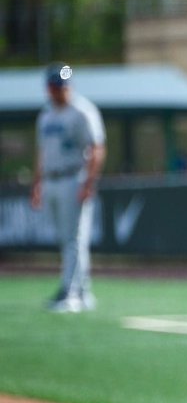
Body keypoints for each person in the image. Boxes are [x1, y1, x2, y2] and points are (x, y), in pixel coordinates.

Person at [31, 62, 106, 313]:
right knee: (68, 240)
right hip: (52, 179)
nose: (58, 91)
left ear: (69, 86)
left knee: (74, 239)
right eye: (55, 86)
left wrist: (88, 183)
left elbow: (97, 148)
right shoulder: (46, 114)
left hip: (73, 177)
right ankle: (82, 291)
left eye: (62, 86)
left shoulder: (82, 110)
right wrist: (37, 183)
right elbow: (42, 152)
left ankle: (71, 293)